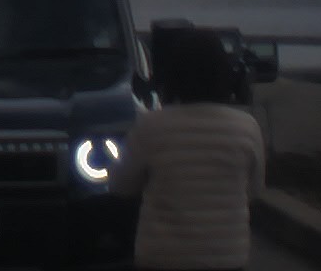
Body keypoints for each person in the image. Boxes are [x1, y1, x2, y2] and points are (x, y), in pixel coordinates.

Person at [111, 26, 268, 271]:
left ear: (174, 75)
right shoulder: (247, 128)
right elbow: (254, 191)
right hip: (227, 259)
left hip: (163, 258)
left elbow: (121, 186)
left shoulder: (152, 126)